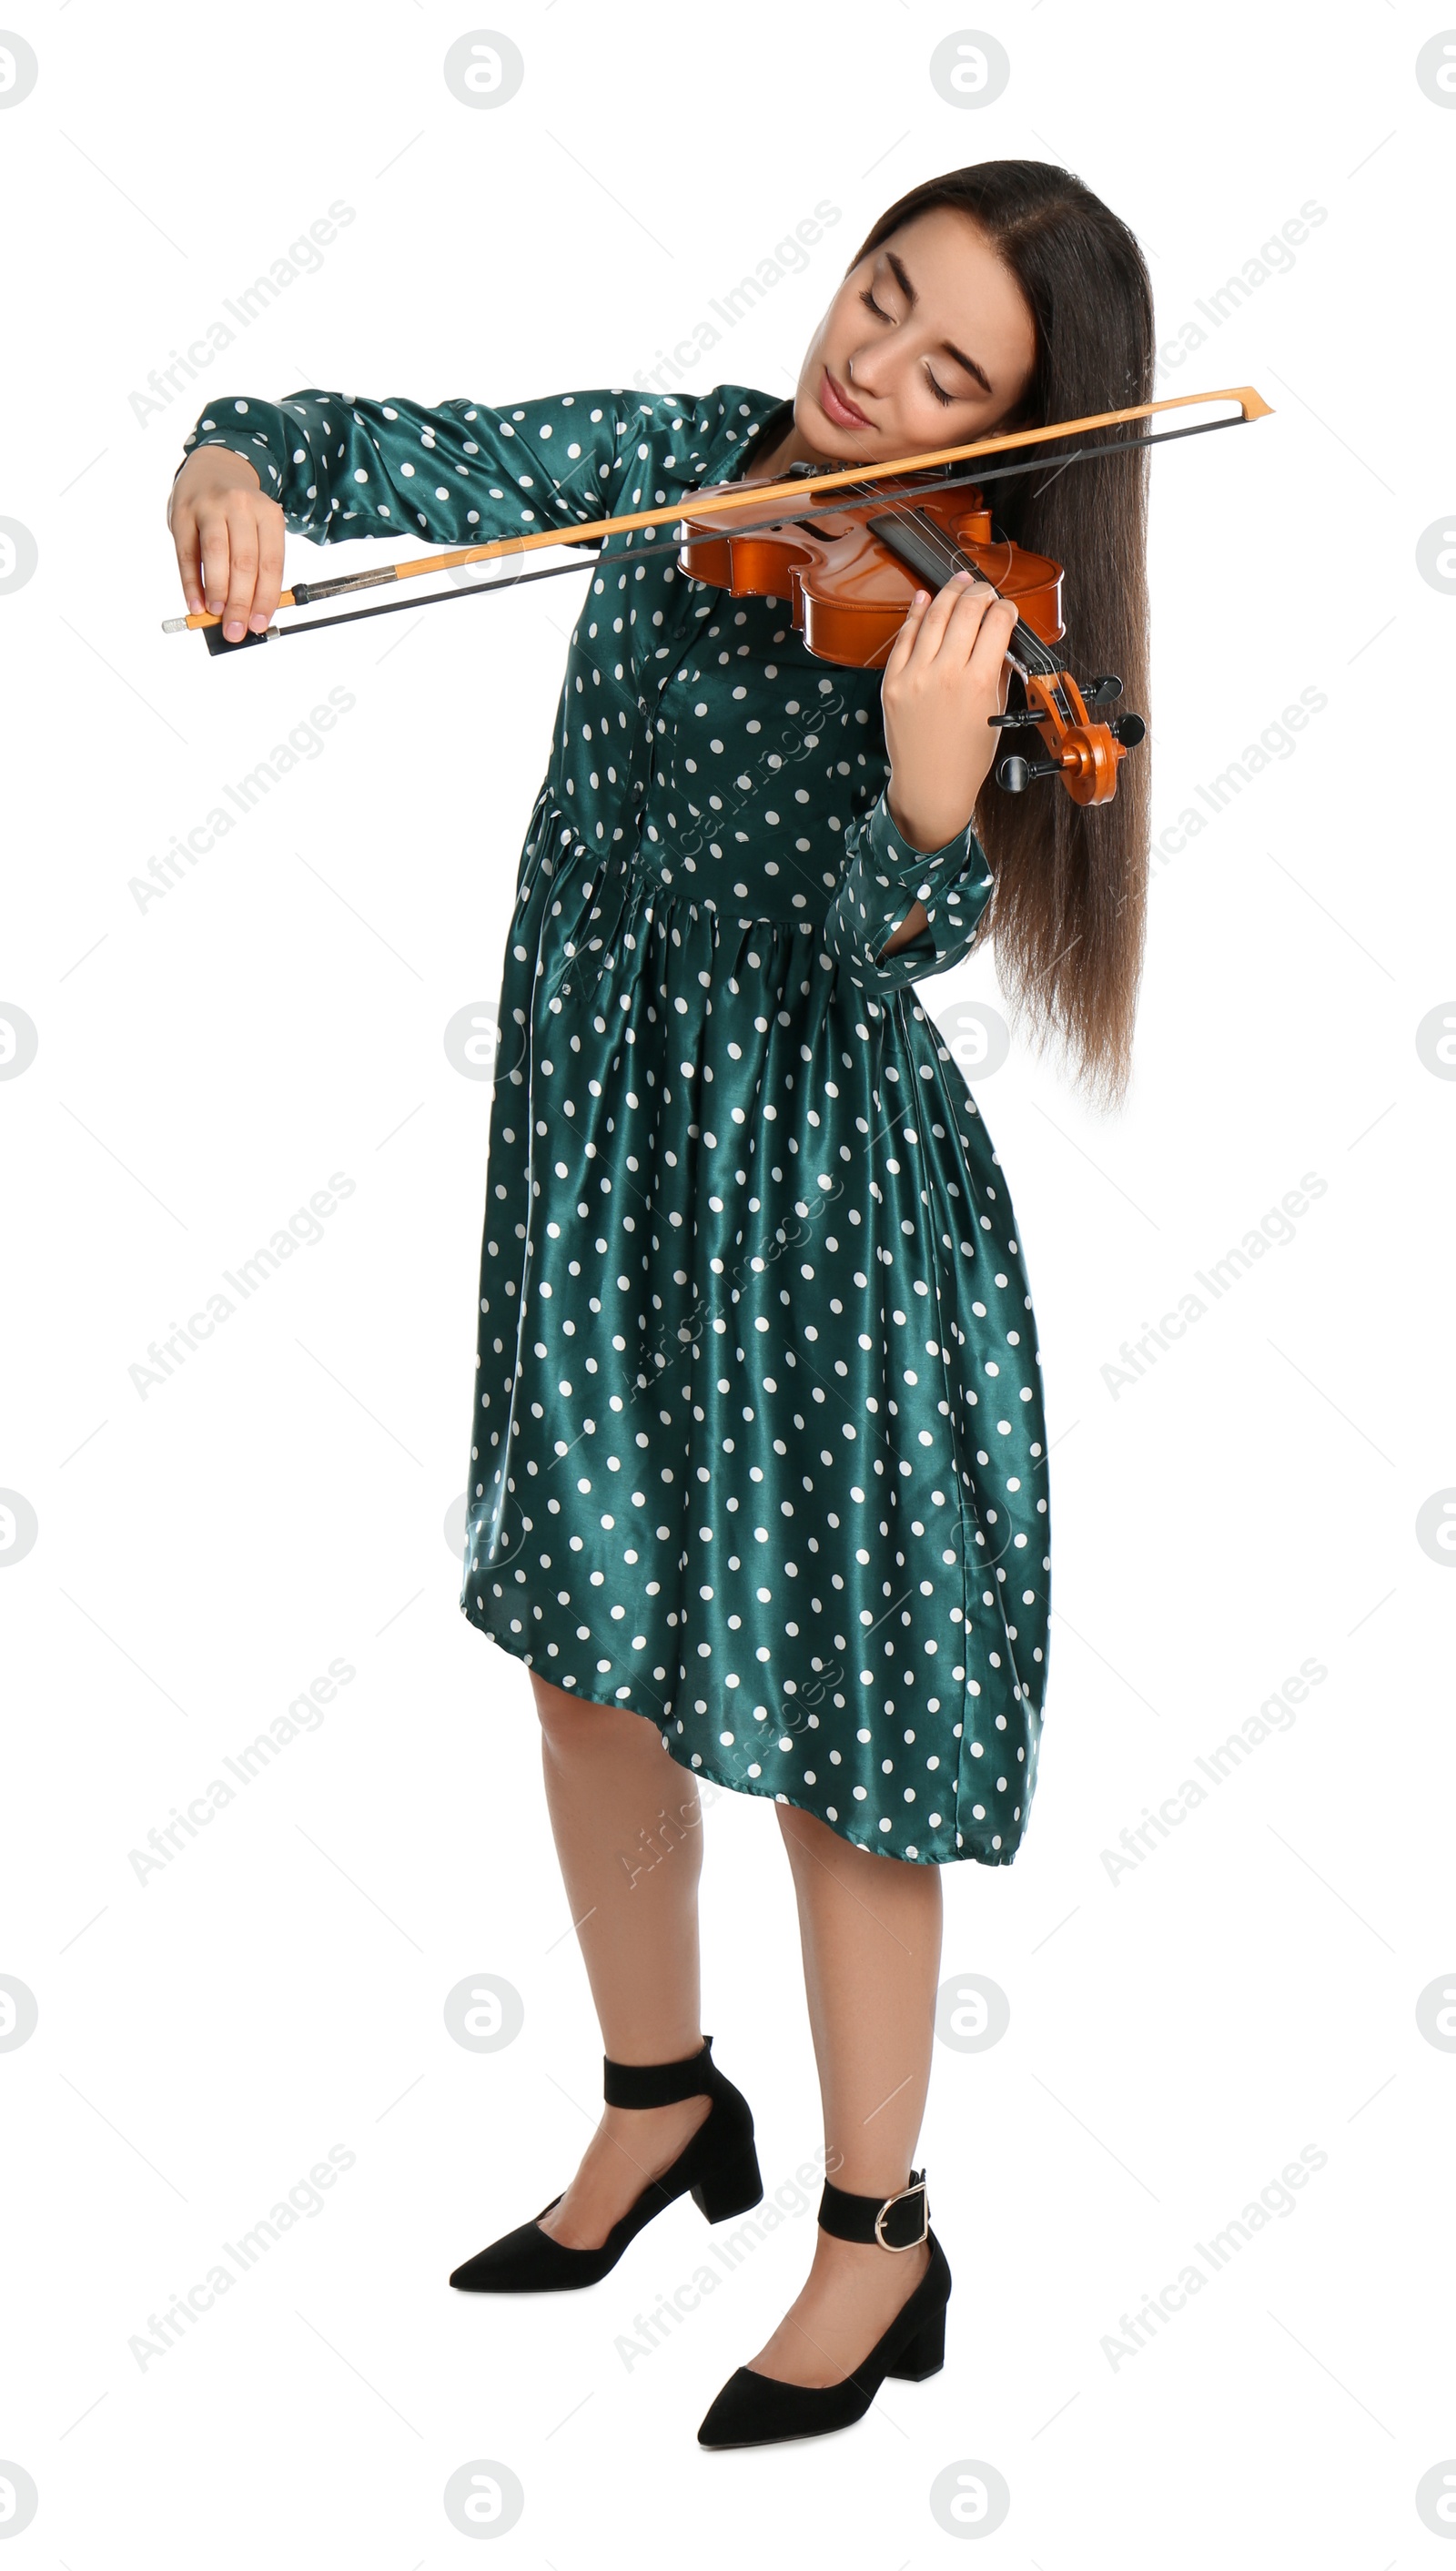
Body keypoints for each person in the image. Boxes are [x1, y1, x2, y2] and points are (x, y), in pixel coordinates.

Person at [167, 157, 1153, 2451]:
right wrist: (239, 464)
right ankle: (653, 2107)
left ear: (1015, 441)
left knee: (842, 1746)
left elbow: (891, 962)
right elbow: (415, 453)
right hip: (604, 1155)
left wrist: (929, 803)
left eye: (948, 376)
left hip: (822, 1211)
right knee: (581, 1663)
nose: (870, 371)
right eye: (877, 297)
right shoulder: (682, 461)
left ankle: (874, 2246)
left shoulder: (963, 641)